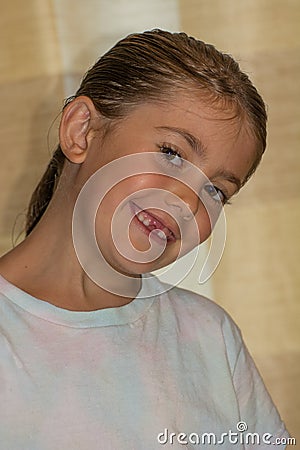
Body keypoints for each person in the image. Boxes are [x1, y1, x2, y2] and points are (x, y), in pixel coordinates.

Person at [0, 29, 289, 449]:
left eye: (216, 191)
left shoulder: (211, 337)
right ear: (81, 131)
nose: (188, 202)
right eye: (171, 153)